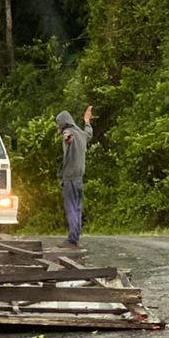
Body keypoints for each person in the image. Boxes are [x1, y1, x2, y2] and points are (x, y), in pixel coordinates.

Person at [55, 106, 93, 249]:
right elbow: (89, 133)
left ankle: (72, 240)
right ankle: (75, 237)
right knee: (77, 208)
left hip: (70, 178)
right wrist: (87, 121)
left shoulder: (68, 132)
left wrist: (68, 138)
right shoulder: (82, 134)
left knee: (71, 208)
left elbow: (67, 137)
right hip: (79, 178)